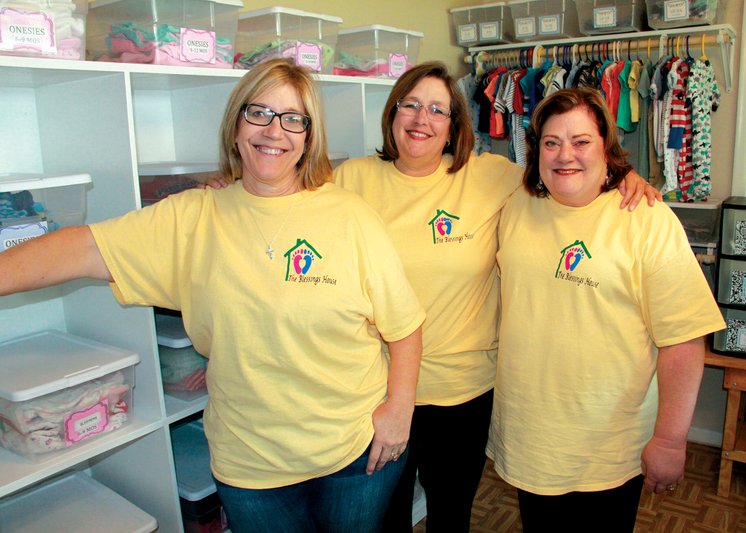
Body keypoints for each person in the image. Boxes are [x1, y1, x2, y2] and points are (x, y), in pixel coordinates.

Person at [0, 59, 426, 533]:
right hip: (252, 467)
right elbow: (81, 248)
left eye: (293, 119)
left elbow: (404, 326)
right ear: (236, 124)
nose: (274, 130)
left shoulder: (350, 217)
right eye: (258, 112)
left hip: (355, 452)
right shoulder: (192, 218)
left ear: (309, 137)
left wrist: (399, 410)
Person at [331, 62, 660, 532]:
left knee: (450, 518)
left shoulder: (490, 177)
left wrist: (626, 176)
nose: (422, 119)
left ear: (453, 126)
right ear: (393, 113)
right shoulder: (351, 180)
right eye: (411, 105)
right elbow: (290, 197)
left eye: (438, 110)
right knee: (383, 520)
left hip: (463, 394)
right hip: (375, 388)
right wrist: (229, 183)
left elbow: (565, 171)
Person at [488, 87, 726, 532]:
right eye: (551, 142)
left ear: (606, 148)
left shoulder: (647, 219)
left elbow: (684, 338)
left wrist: (671, 440)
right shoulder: (516, 206)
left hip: (609, 445)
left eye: (581, 142)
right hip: (530, 435)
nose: (565, 155)